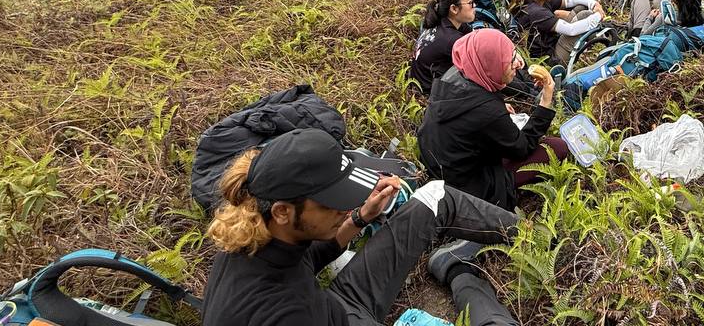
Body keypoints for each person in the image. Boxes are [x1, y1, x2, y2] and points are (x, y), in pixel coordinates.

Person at [201, 128, 521, 326]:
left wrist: (362, 216)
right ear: (284, 211)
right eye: (332, 202)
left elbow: (307, 258)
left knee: (435, 195)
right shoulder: (285, 313)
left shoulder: (255, 235)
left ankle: (534, 238)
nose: (345, 207)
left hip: (339, 308)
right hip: (334, 315)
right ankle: (459, 274)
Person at [418, 28, 570, 210]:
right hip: (472, 187)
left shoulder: (456, 73)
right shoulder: (488, 111)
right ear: (491, 65)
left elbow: (473, 112)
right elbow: (522, 148)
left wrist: (496, 107)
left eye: (515, 53)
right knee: (557, 147)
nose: (518, 64)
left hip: (443, 165)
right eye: (510, 59)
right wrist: (545, 102)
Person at [512, 0, 605, 65]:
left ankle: (598, 42)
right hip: (548, 60)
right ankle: (603, 44)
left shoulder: (538, 0)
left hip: (553, 44)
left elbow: (570, 0)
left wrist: (595, 4)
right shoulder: (537, 12)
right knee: (585, 15)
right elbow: (571, 30)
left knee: (582, 8)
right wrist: (598, 15)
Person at [410, 0, 476, 95]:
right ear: (454, 9)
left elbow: (475, 38)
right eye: (470, 2)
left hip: (422, 82)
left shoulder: (439, 23)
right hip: (431, 93)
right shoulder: (451, 39)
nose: (474, 5)